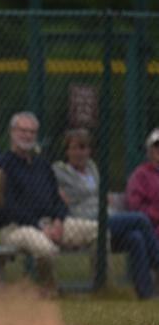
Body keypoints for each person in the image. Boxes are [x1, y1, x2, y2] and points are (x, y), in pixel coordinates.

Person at [0, 112, 96, 294]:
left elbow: (59, 200)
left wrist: (58, 221)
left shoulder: (43, 165)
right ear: (12, 132)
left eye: (32, 132)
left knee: (99, 231)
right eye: (23, 130)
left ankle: (102, 287)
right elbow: (8, 209)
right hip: (16, 228)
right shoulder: (2, 164)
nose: (27, 135)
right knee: (46, 250)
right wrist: (40, 226)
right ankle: (49, 292)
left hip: (51, 224)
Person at [54, 128, 159, 299]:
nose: (80, 153)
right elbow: (49, 186)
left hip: (107, 219)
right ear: (67, 151)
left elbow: (98, 193)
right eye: (74, 148)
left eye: (84, 148)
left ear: (89, 151)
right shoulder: (60, 172)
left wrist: (104, 195)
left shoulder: (92, 169)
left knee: (135, 237)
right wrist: (57, 193)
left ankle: (146, 295)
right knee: (140, 219)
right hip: (85, 222)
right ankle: (157, 261)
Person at [126, 128, 159, 240]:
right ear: (149, 150)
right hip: (151, 227)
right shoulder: (140, 175)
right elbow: (135, 206)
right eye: (156, 146)